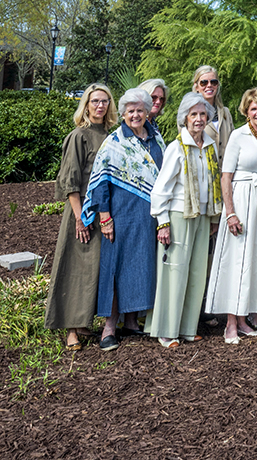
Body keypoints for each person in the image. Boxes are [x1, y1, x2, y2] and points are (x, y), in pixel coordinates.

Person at [81, 87, 166, 352]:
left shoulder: (156, 139)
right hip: (121, 212)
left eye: (140, 110)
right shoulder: (114, 142)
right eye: (130, 111)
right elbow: (100, 182)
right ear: (124, 114)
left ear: (146, 111)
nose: (136, 115)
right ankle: (109, 327)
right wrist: (104, 216)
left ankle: (131, 321)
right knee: (116, 267)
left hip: (149, 214)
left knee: (142, 264)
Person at [44, 83, 118, 351]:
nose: (100, 106)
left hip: (102, 211)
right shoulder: (79, 136)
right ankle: (70, 330)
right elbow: (70, 180)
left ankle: (83, 321)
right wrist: (79, 217)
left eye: (105, 101)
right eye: (95, 101)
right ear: (86, 105)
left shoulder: (109, 136)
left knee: (93, 269)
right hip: (82, 211)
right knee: (75, 268)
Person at [205, 87, 257, 343]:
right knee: (236, 260)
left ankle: (245, 318)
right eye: (253, 108)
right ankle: (230, 323)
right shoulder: (238, 136)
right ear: (246, 111)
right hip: (240, 202)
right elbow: (225, 177)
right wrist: (230, 213)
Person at [147, 93, 222, 347]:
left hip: (202, 216)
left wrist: (213, 217)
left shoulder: (210, 144)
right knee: (175, 271)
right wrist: (163, 222)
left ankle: (188, 327)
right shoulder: (177, 147)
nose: (199, 119)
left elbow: (212, 185)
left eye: (203, 114)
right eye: (194, 115)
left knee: (197, 272)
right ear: (185, 119)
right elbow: (161, 189)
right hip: (179, 215)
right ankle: (167, 330)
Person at [192, 65, 233, 166]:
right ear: (196, 87)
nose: (209, 85)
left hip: (225, 174)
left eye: (213, 82)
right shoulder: (189, 115)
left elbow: (233, 145)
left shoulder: (225, 113)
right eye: (204, 82)